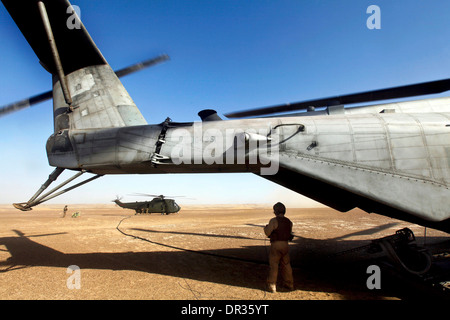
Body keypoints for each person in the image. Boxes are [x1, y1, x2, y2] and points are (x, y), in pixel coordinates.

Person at [264, 202, 294, 293]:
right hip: (285, 245)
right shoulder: (289, 221)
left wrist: (266, 228)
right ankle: (289, 284)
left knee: (274, 265)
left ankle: (272, 285)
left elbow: (267, 233)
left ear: (275, 211)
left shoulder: (273, 220)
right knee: (286, 264)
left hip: (276, 245)